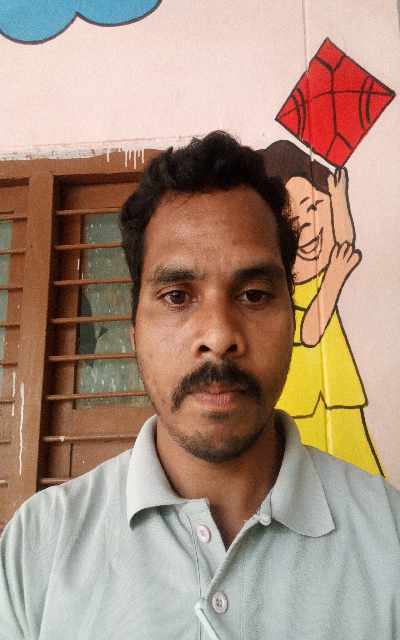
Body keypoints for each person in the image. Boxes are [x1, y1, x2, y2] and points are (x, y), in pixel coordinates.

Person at [0, 132, 399, 639]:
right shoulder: (38, 546)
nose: (218, 335)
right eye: (176, 295)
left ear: (293, 319)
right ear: (134, 330)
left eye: (254, 294)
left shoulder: (389, 537)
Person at [261, 140, 382, 476]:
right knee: (303, 471)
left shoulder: (324, 269)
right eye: (291, 220)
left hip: (336, 391)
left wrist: (339, 198)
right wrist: (335, 279)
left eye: (313, 207)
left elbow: (343, 242)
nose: (307, 227)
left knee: (355, 467)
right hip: (301, 397)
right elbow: (310, 332)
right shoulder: (281, 289)